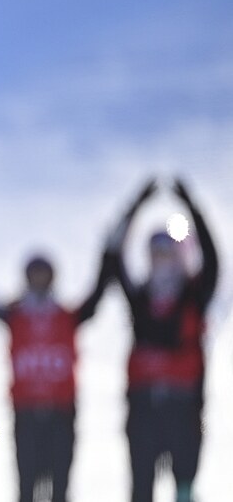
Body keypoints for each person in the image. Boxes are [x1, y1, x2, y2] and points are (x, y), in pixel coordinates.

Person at [0, 224, 110, 502]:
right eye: (34, 274)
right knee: (26, 490)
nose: (39, 280)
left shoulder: (68, 316)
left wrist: (111, 249)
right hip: (26, 415)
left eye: (44, 274)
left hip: (62, 415)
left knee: (60, 490)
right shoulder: (15, 315)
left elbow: (100, 289)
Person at [106, 178, 218, 502]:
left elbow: (212, 259)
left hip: (184, 408)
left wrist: (192, 206)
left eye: (167, 252)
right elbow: (113, 256)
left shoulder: (194, 296)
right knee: (141, 489)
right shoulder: (139, 300)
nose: (161, 259)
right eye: (155, 252)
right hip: (143, 409)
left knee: (184, 489)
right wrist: (135, 206)